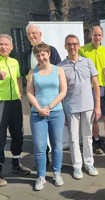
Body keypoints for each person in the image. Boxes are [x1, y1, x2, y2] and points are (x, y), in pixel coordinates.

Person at [26, 43, 67, 190]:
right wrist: (39, 109)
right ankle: (41, 176)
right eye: (38, 55)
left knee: (57, 146)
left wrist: (49, 107)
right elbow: (29, 93)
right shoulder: (32, 72)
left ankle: (56, 173)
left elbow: (63, 91)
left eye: (43, 54)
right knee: (39, 147)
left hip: (56, 113)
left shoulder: (59, 70)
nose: (41, 57)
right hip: (37, 114)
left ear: (49, 54)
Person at [60, 34, 101, 179]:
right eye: (69, 44)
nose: (72, 47)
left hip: (88, 106)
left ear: (79, 46)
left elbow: (96, 85)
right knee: (73, 139)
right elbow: (61, 91)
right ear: (65, 46)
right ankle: (77, 166)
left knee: (88, 137)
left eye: (75, 44)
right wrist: (63, 113)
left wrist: (98, 106)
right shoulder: (61, 66)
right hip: (70, 108)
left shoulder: (88, 62)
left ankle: (89, 164)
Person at [79, 25, 105, 154]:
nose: (97, 37)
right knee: (94, 117)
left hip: (103, 87)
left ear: (102, 36)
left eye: (99, 35)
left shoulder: (104, 51)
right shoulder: (82, 50)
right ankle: (96, 142)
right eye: (95, 34)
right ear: (91, 35)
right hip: (90, 88)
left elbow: (104, 69)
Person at [26, 23, 61, 166]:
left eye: (34, 33)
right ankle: (43, 160)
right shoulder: (27, 52)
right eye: (29, 34)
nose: (32, 36)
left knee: (54, 134)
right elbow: (25, 73)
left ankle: (56, 163)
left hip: (52, 99)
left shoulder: (51, 50)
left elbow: (59, 71)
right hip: (34, 98)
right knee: (40, 133)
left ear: (40, 34)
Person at [0, 34, 31, 187]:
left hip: (15, 103)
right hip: (1, 102)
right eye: (0, 44)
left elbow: (19, 78)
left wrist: (19, 93)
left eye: (6, 44)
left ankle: (16, 164)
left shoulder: (14, 62)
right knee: (0, 137)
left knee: (18, 134)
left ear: (11, 47)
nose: (3, 47)